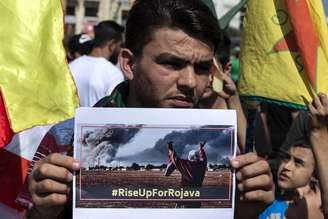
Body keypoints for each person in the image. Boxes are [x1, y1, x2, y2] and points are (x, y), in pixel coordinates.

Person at [26, 0, 274, 218]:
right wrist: (43, 213)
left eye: (201, 68)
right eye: (171, 63)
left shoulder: (221, 147)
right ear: (129, 63)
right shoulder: (66, 141)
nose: (189, 81)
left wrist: (245, 213)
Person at [259, 93, 328, 219]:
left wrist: (318, 132)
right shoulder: (268, 197)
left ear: (315, 175)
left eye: (298, 163)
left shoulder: (317, 205)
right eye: (286, 158)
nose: (287, 166)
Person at [70, 20, 125, 107]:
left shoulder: (71, 67)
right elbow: (113, 112)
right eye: (120, 45)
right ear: (112, 45)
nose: (121, 50)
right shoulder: (113, 74)